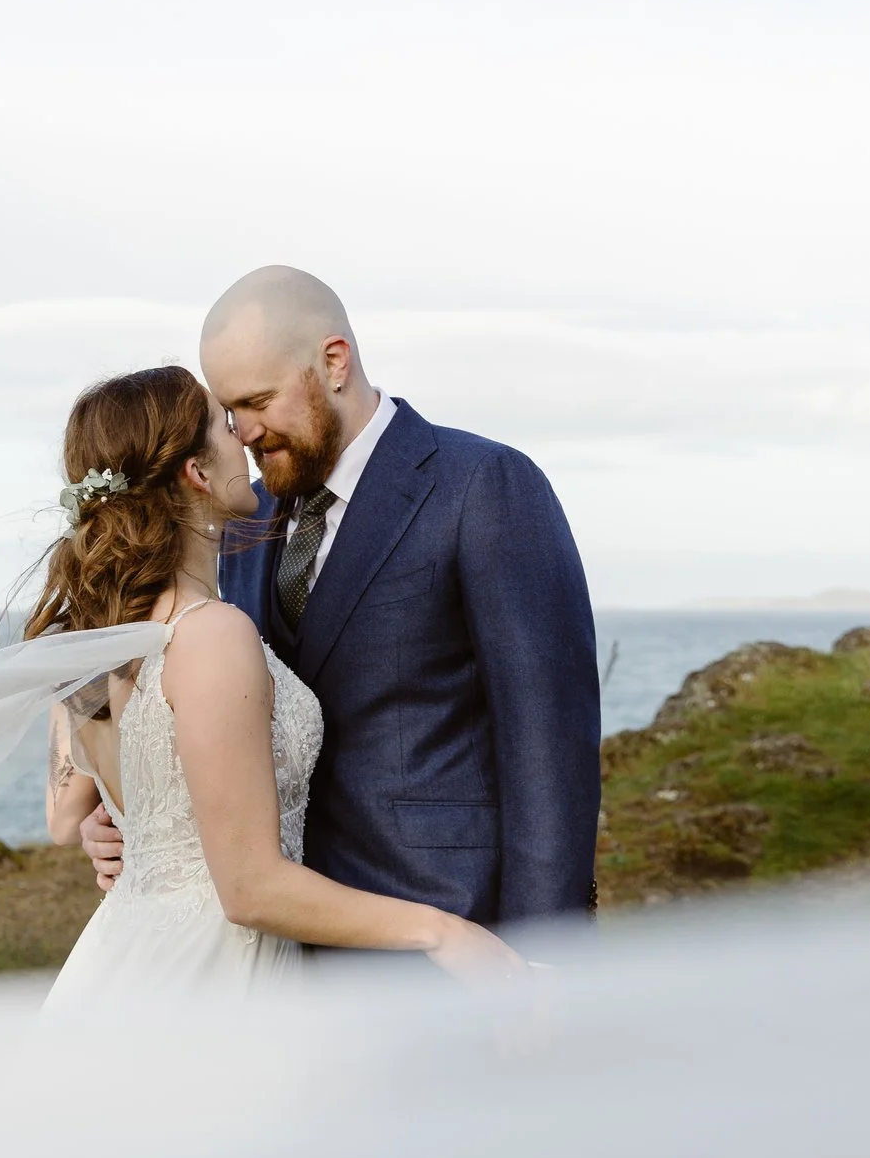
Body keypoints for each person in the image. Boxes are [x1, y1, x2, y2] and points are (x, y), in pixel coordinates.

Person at [80, 267, 602, 938]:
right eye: (230, 410)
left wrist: (545, 959)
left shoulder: (483, 487)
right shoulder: (239, 523)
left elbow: (549, 746)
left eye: (260, 400)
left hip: (453, 942)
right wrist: (141, 817)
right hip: (282, 950)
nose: (242, 431)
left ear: (333, 362)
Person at [30, 365, 525, 1003]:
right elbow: (251, 890)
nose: (244, 434)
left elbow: (65, 817)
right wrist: (444, 934)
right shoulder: (210, 633)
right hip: (214, 976)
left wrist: (130, 831)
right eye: (223, 424)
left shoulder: (90, 633)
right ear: (198, 473)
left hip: (124, 959)